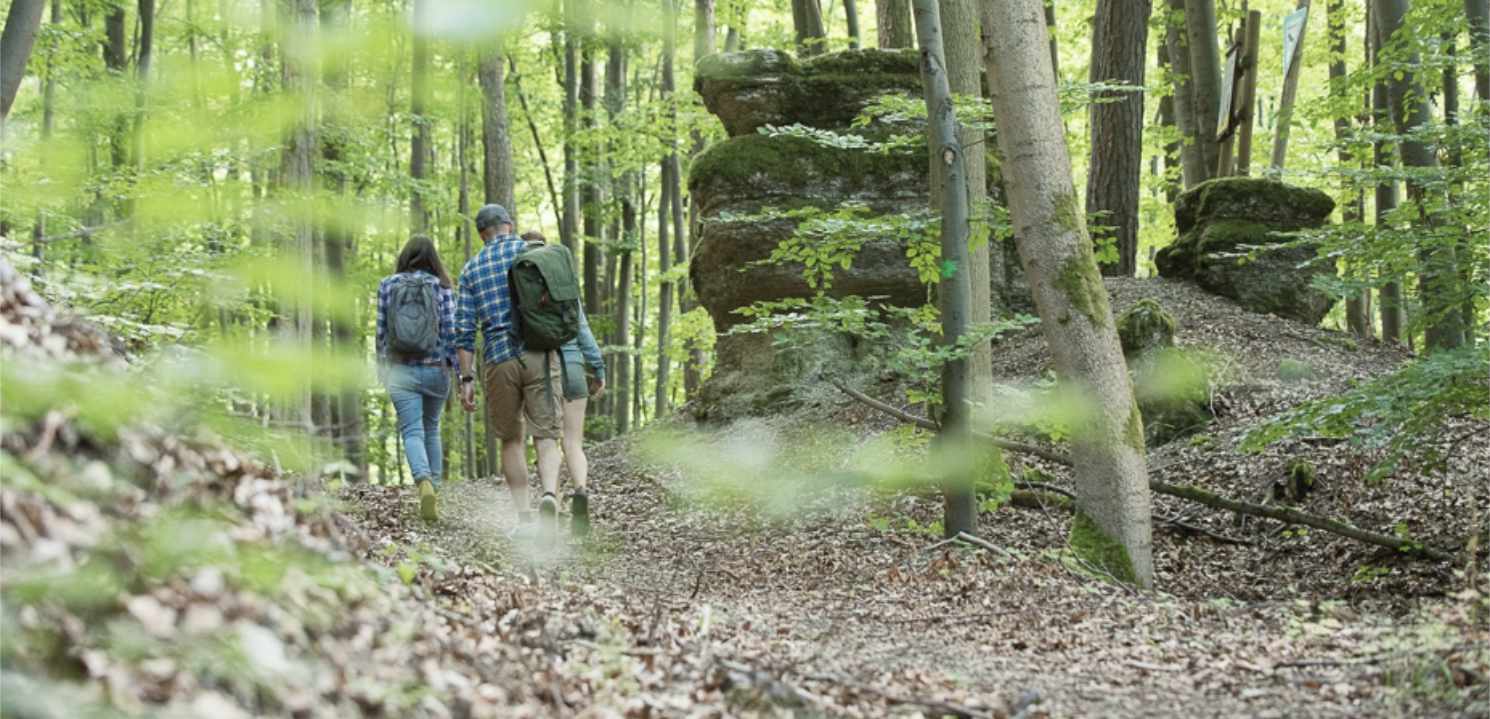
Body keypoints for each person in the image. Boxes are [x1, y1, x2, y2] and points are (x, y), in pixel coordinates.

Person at [454, 205, 565, 533]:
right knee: (546, 437)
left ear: (481, 233)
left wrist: (466, 378)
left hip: (499, 358)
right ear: (509, 225)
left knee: (511, 440)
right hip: (540, 353)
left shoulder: (472, 269)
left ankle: (525, 517)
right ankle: (549, 495)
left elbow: (464, 329)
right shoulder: (534, 252)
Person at [520, 231, 605, 536]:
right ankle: (580, 491)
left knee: (546, 442)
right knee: (573, 442)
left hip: (543, 368)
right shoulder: (564, 283)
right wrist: (598, 368)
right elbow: (583, 331)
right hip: (572, 364)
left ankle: (550, 500)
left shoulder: (521, 283)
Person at [376, 235, 456, 523]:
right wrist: (459, 372)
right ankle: (433, 488)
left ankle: (422, 483)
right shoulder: (443, 287)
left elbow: (382, 331)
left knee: (412, 431)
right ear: (433, 259)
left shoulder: (388, 285)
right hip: (436, 369)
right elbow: (450, 331)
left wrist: (381, 368)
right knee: (431, 428)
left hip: (401, 370)